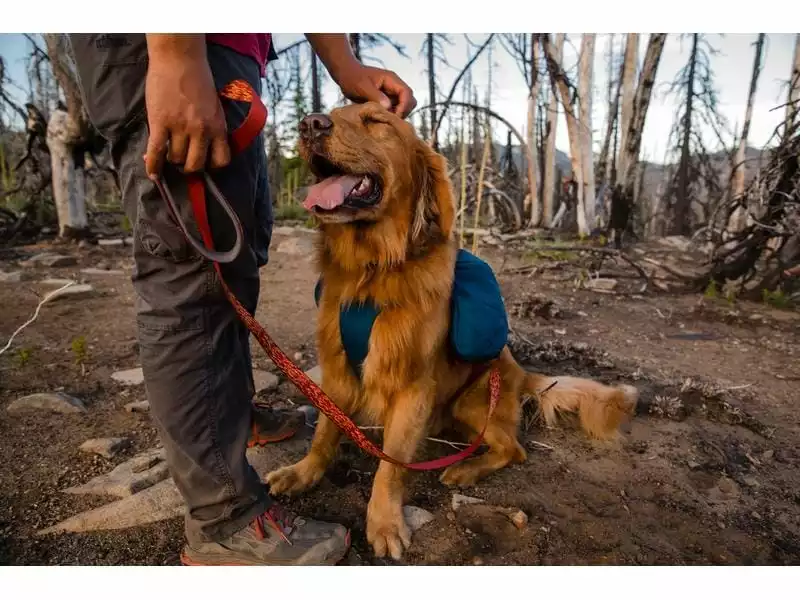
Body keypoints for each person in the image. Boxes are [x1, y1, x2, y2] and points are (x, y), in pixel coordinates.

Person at [66, 33, 416, 566]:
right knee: (190, 276)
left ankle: (230, 416)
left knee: (235, 259)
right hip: (172, 43)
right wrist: (176, 52)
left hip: (230, 57)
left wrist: (343, 65)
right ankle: (223, 516)